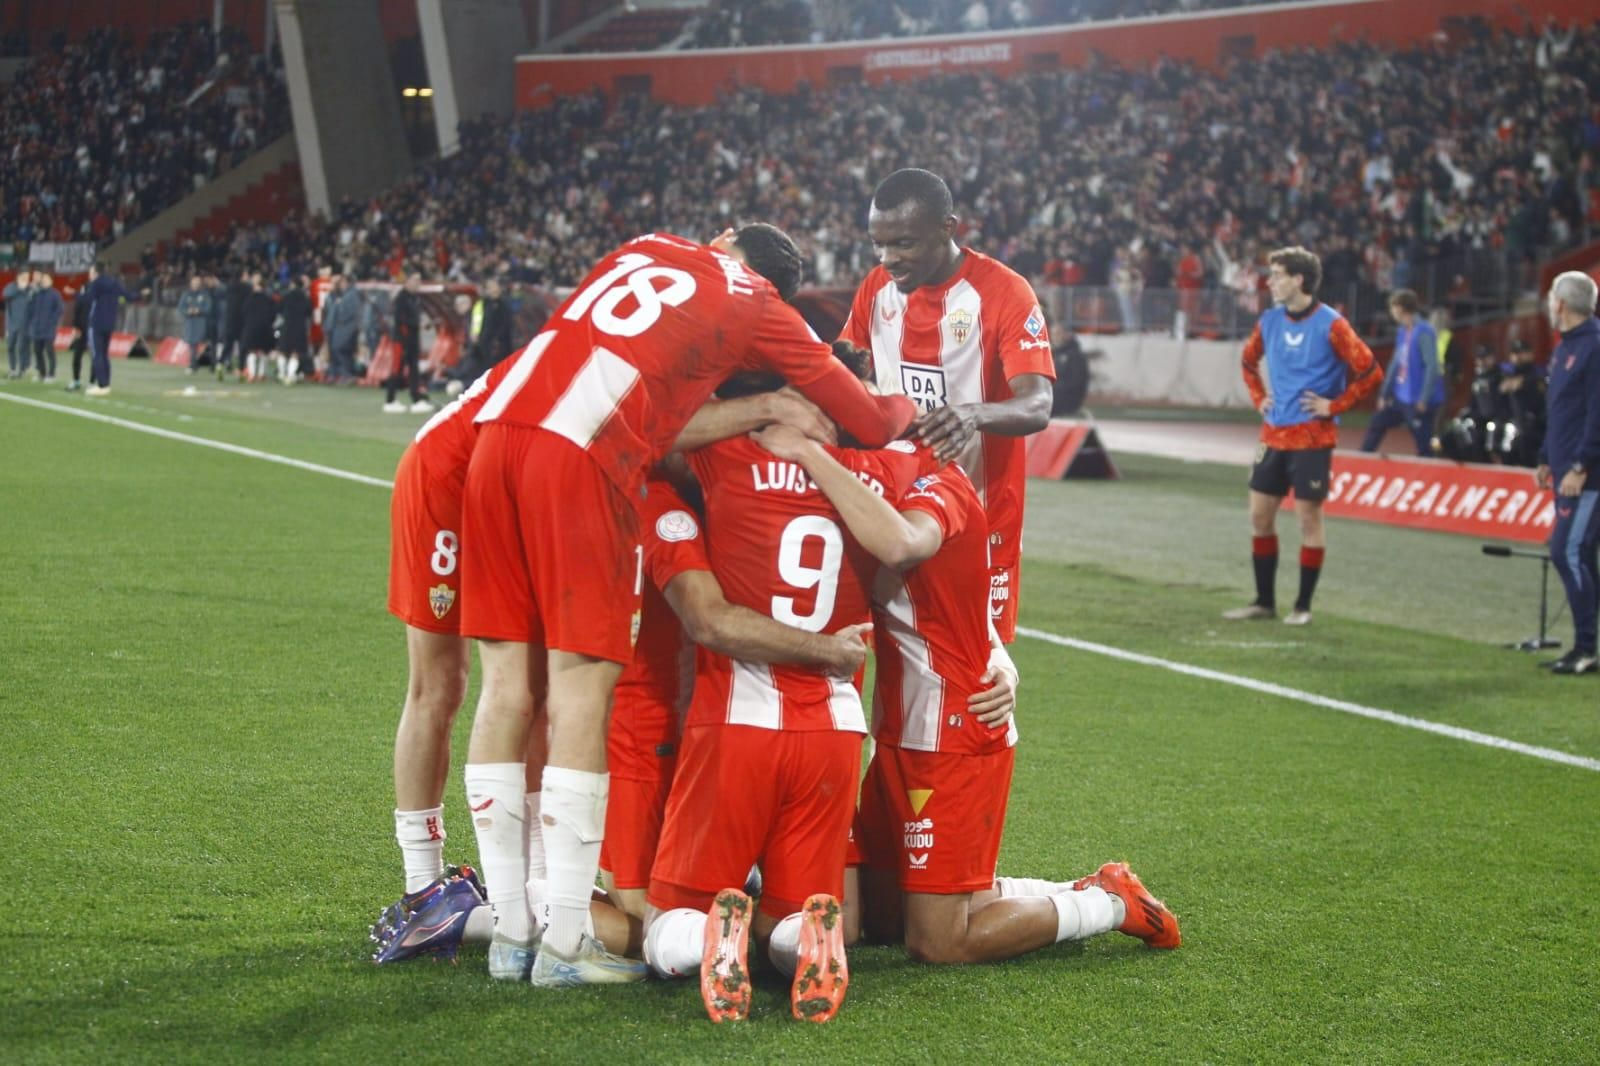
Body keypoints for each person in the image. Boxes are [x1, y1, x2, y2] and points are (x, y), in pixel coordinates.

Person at [457, 225, 914, 988]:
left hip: (498, 432)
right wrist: (888, 410)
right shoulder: (756, 322)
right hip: (806, 717)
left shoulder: (649, 245)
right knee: (581, 692)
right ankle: (563, 935)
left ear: (723, 238)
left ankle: (505, 923)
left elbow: (646, 412)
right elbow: (872, 438)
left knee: (504, 685)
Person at [753, 415, 1181, 970]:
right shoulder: (869, 479)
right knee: (881, 921)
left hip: (954, 730)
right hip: (899, 732)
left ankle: (1107, 903)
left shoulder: (937, 481)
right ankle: (1065, 887)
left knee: (938, 943)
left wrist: (811, 455)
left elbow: (905, 545)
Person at [839, 169, 1055, 643]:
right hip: (894, 515)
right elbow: (842, 379)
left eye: (904, 244)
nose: (888, 259)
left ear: (947, 228)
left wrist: (973, 414)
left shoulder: (1003, 292)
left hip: (980, 518)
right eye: (879, 244)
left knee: (976, 672)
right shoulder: (876, 289)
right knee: (891, 663)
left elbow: (1038, 404)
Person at [1225, 246, 1382, 625]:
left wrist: (1335, 406)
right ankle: (1264, 602)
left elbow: (1370, 372)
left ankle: (1302, 607)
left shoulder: (1333, 324)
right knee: (1259, 516)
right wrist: (1260, 398)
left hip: (1313, 438)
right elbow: (1248, 361)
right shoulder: (1269, 321)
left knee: (1309, 519)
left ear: (1299, 279)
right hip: (1273, 434)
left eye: (1277, 275)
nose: (1270, 282)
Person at [1535, 271, 1600, 676]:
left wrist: (1580, 465)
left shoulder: (1594, 346)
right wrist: (1545, 456)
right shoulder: (1565, 348)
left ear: (1561, 304)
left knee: (1567, 551)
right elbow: (1560, 410)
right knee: (1581, 555)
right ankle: (1586, 642)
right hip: (1563, 469)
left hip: (1587, 476)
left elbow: (1597, 414)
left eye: (1551, 298)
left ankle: (1586, 646)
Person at [1360, 290, 1442, 456]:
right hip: (1400, 396)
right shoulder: (1403, 332)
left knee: (1423, 443)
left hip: (1417, 398)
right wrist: (1385, 393)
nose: (1391, 313)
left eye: (1393, 308)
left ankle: (1431, 474)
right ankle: (1362, 460)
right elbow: (1395, 364)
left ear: (1400, 308)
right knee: (1378, 422)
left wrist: (1424, 398)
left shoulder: (1424, 332)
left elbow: (1432, 366)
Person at [81, 262, 139, 397]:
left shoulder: (96, 284)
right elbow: (128, 296)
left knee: (97, 354)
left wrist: (77, 295)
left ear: (96, 272)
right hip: (110, 322)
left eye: (91, 272)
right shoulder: (115, 282)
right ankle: (106, 383)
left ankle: (102, 384)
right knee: (105, 354)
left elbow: (88, 299)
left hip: (96, 322)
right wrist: (140, 294)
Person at [447, 278, 513, 394]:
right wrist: (475, 337)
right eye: (490, 287)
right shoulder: (482, 305)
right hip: (485, 344)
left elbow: (507, 325)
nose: (492, 289)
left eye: (494, 286)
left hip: (501, 344)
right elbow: (476, 322)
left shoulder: (505, 305)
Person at [384, 272, 430, 413]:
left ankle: (416, 398)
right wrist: (417, 325)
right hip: (402, 340)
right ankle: (390, 400)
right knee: (397, 369)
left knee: (414, 369)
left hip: (413, 340)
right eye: (415, 280)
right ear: (407, 281)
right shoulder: (401, 298)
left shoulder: (415, 298)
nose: (418, 283)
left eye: (419, 280)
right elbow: (401, 320)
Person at [240, 273, 278, 382]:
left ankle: (251, 374)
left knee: (251, 351)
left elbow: (243, 312)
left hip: (251, 328)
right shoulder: (268, 299)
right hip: (265, 328)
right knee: (264, 351)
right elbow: (273, 314)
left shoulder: (249, 299)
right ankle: (261, 374)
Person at [27, 273, 64, 383]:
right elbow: (30, 307)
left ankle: (51, 374)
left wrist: (52, 321)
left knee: (49, 351)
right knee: (38, 351)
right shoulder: (37, 294)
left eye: (47, 279)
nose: (44, 281)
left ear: (51, 281)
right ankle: (42, 373)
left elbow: (59, 310)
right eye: (43, 279)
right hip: (37, 328)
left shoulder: (55, 294)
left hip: (48, 329)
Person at [324, 276, 361, 384]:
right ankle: (335, 373)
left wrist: (340, 323)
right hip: (334, 327)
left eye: (341, 282)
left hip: (343, 328)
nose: (339, 284)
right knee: (335, 351)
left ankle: (346, 374)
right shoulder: (336, 295)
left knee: (341, 350)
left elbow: (347, 313)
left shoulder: (351, 295)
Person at [278, 275, 312, 383]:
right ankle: (290, 375)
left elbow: (279, 309)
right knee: (295, 353)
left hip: (287, 326)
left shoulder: (286, 295)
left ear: (292, 284)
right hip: (299, 328)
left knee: (283, 351)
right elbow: (309, 312)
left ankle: (281, 374)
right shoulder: (305, 297)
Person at [177, 275, 212, 373]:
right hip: (190, 323)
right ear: (191, 283)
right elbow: (181, 307)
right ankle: (193, 364)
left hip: (201, 322)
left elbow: (208, 307)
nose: (196, 284)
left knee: (199, 343)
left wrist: (199, 310)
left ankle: (203, 364)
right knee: (192, 344)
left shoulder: (204, 294)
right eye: (194, 282)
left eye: (198, 282)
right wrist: (188, 311)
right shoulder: (186, 294)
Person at [4, 268, 33, 379]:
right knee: (11, 346)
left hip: (25, 324)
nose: (26, 279)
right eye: (24, 277)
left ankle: (22, 369)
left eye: (27, 277)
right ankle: (12, 368)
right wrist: (20, 289)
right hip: (12, 323)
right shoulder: (11, 287)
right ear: (18, 277)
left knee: (22, 347)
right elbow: (6, 294)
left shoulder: (30, 289)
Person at [64, 284, 90, 391]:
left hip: (93, 331)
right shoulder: (82, 299)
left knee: (95, 358)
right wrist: (75, 328)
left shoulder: (97, 298)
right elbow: (77, 313)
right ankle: (76, 380)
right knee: (77, 356)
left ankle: (93, 382)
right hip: (82, 331)